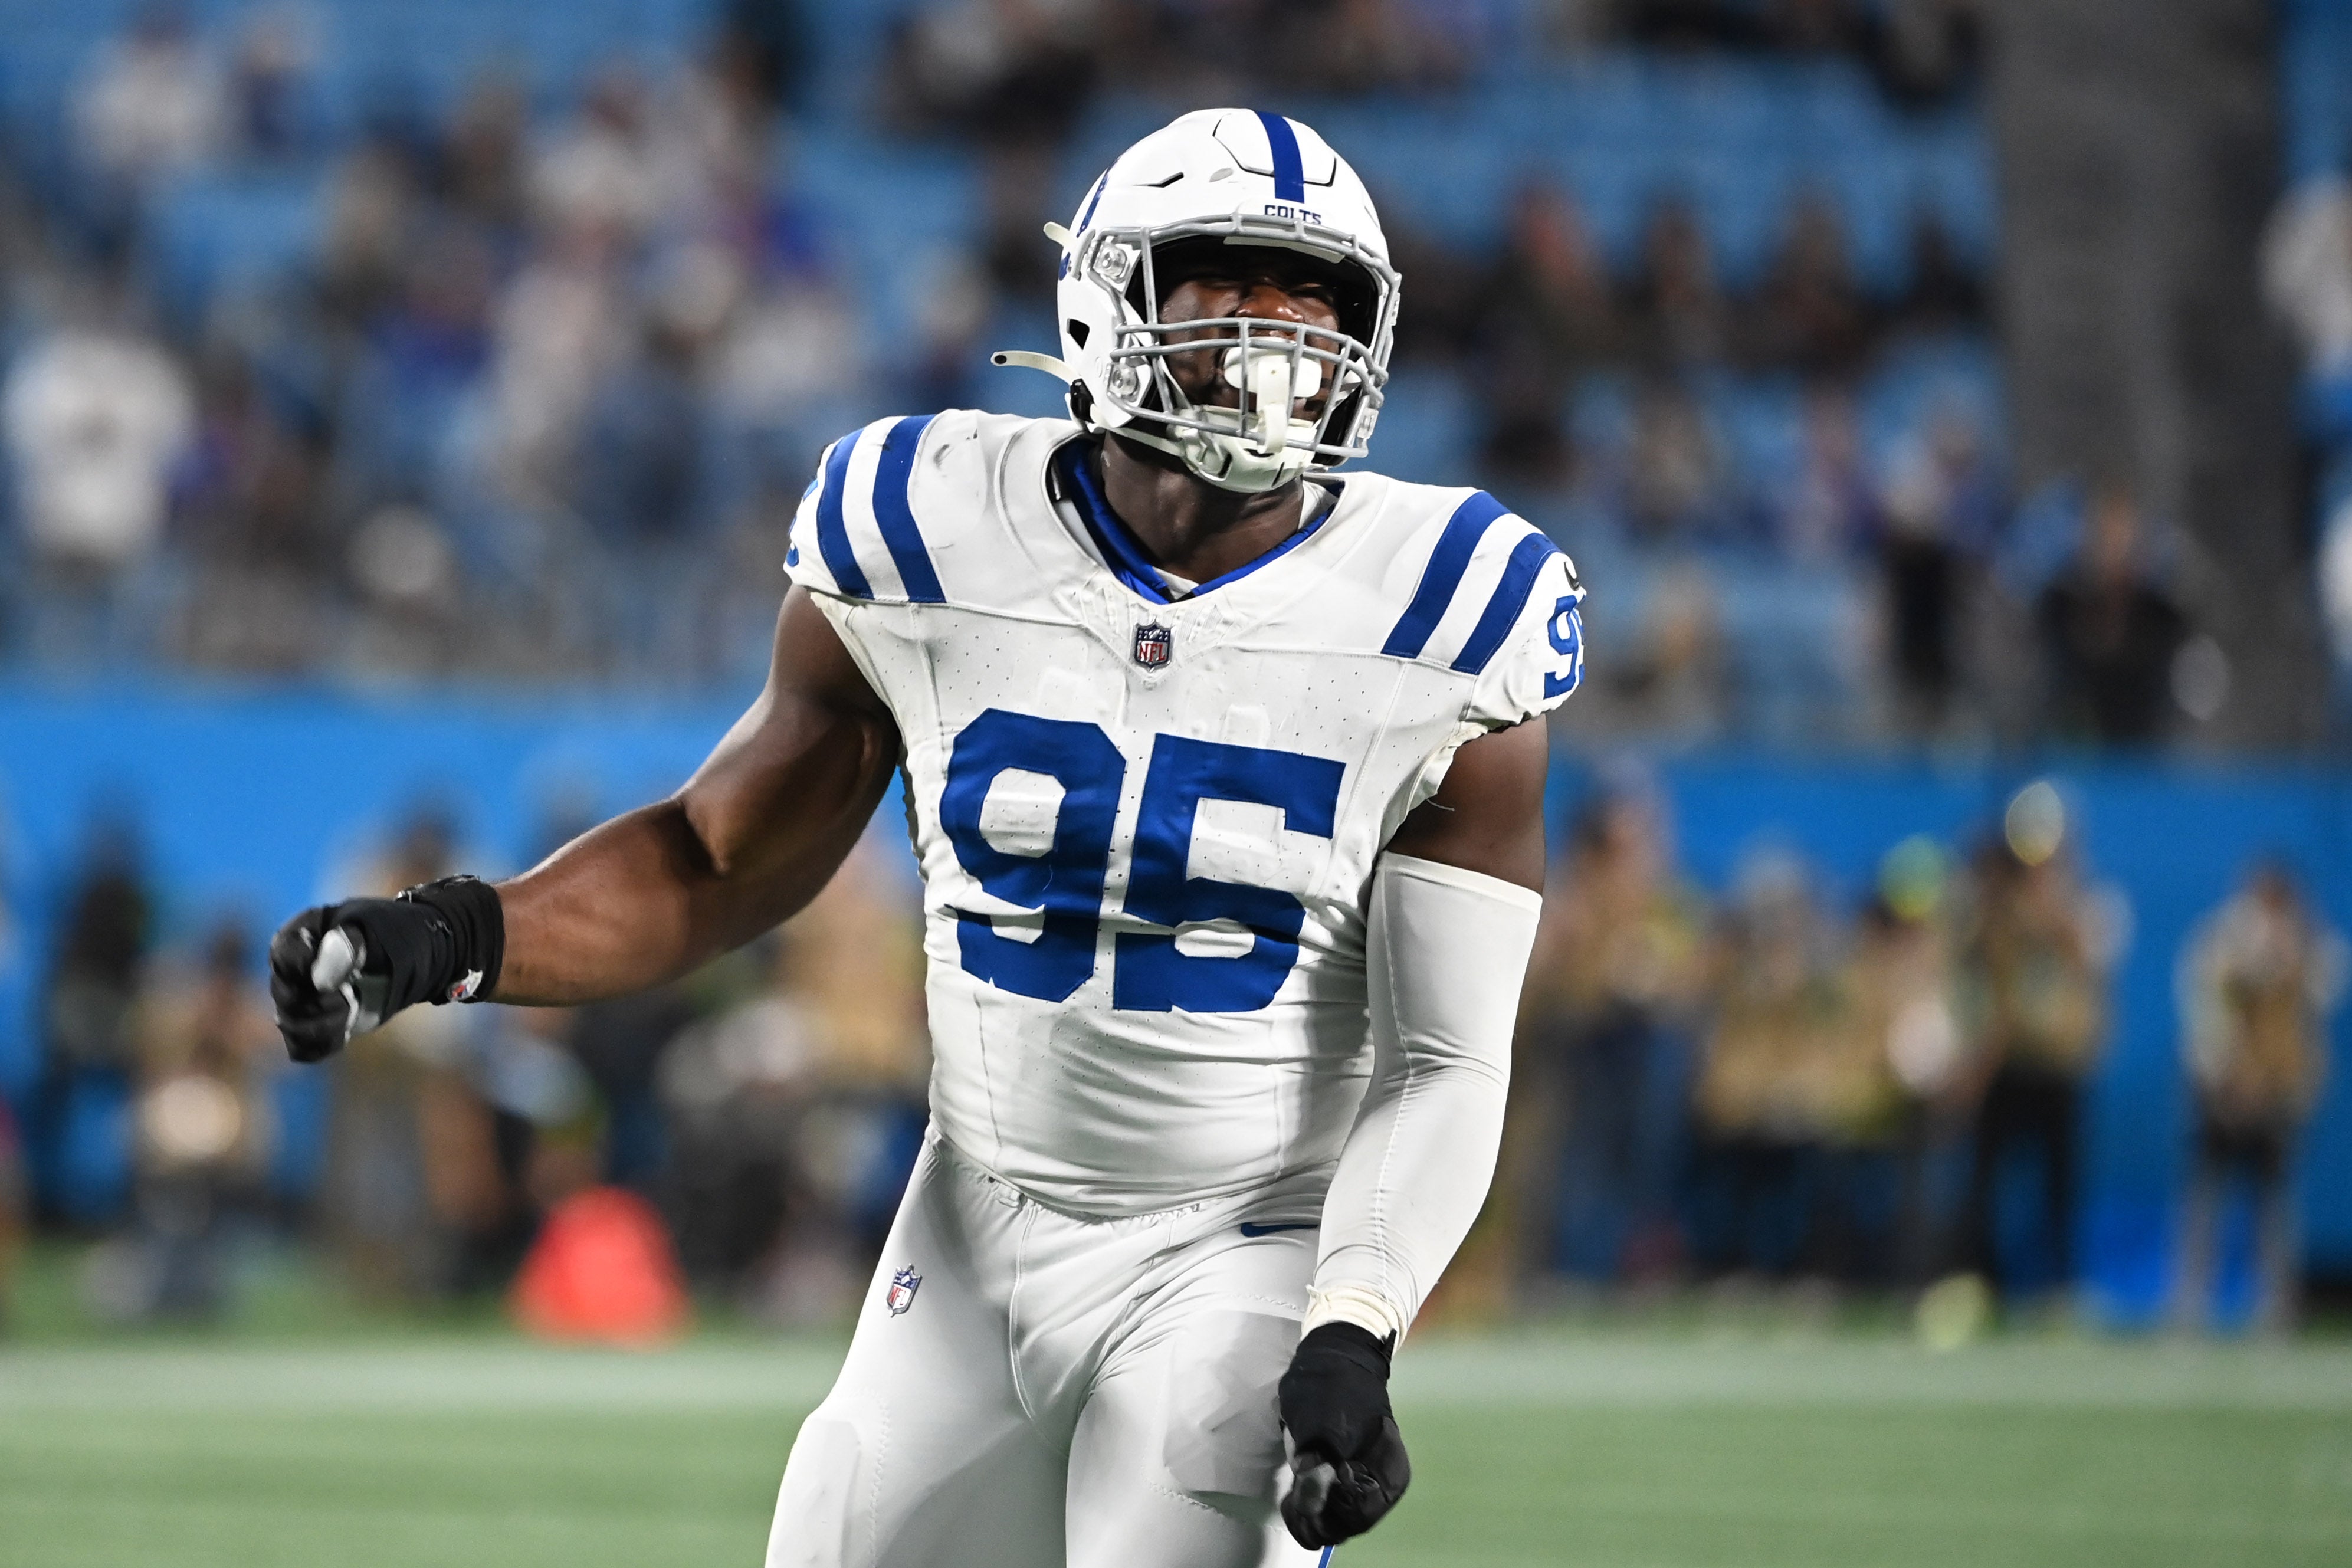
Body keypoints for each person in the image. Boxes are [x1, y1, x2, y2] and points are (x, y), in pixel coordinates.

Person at [266, 109, 1584, 1567]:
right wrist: (450, 934)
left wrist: (1354, 1322)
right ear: (1108, 297)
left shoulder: (1448, 607)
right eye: (1235, 282)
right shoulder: (929, 524)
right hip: (972, 1224)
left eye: (1322, 297)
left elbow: (1446, 1056)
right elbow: (716, 859)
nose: (1288, 331)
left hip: (1244, 1238)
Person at [2173, 861, 2346, 1332]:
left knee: (2273, 1202)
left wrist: (2291, 952)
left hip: (2274, 1094)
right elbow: (2204, 1005)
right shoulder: (2223, 939)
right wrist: (2221, 1074)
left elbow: (2327, 985)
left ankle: (2275, 1306)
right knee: (2207, 1198)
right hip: (2224, 1092)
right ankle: (2190, 1303)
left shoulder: (2305, 942)